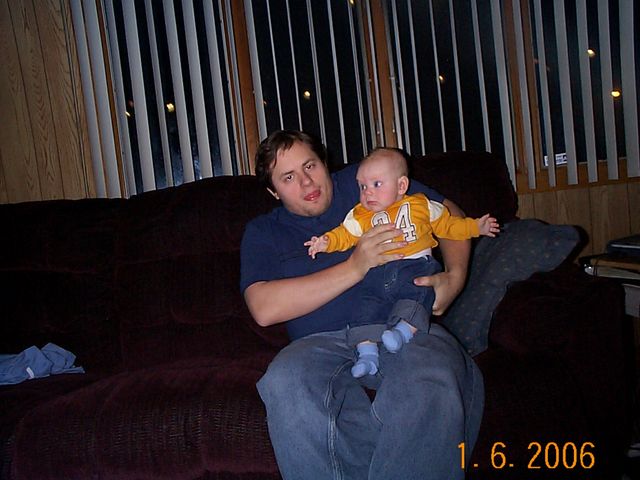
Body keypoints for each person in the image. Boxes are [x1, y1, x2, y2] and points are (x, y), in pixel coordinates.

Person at [240, 130, 484, 480]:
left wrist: (455, 278)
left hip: (401, 326)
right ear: (273, 191)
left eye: (310, 165)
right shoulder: (263, 232)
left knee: (431, 377)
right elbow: (263, 308)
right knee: (284, 381)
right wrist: (356, 266)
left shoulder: (369, 182)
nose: (307, 182)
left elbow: (447, 213)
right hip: (318, 345)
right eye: (288, 177)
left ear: (324, 161)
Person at [304, 148, 499, 378]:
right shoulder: (360, 214)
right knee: (365, 309)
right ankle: (367, 356)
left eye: (376, 184)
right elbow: (344, 234)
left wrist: (476, 227)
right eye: (362, 186)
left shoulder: (421, 205)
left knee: (420, 294)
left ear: (401, 185)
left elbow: (449, 226)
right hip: (377, 275)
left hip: (415, 267)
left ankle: (403, 332)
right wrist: (325, 242)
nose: (368, 192)